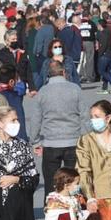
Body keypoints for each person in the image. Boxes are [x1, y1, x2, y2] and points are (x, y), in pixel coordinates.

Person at [30, 59, 84, 195]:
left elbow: (36, 119)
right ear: (64, 72)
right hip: (73, 140)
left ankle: (51, 209)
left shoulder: (43, 91)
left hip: (51, 142)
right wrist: (87, 138)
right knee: (74, 182)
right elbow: (85, 116)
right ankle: (74, 210)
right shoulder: (75, 89)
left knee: (51, 182)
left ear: (49, 74)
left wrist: (35, 141)